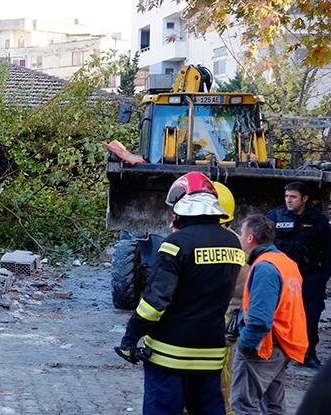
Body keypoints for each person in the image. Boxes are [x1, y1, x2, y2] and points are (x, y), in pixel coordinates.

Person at [116, 172, 243, 415]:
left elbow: (155, 302)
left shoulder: (176, 244)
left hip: (170, 355)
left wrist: (131, 337)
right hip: (212, 352)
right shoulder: (233, 243)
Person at [230, 214, 308, 414]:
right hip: (284, 344)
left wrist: (246, 347)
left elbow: (259, 320)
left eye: (241, 234)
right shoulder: (285, 262)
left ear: (250, 239)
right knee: (272, 406)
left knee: (244, 405)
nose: (240, 238)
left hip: (264, 347)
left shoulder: (265, 268)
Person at [266, 181, 331, 369]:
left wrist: (322, 277)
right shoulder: (274, 217)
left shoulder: (318, 220)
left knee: (310, 318)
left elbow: (328, 251)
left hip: (309, 278)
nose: (288, 200)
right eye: (286, 196)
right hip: (281, 278)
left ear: (304, 199)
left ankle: (307, 354)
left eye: (293, 197)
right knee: (277, 316)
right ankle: (275, 352)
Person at [214, 181, 249, 415]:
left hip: (220, 323)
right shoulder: (239, 243)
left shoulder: (191, 242)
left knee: (220, 376)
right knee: (226, 373)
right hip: (230, 322)